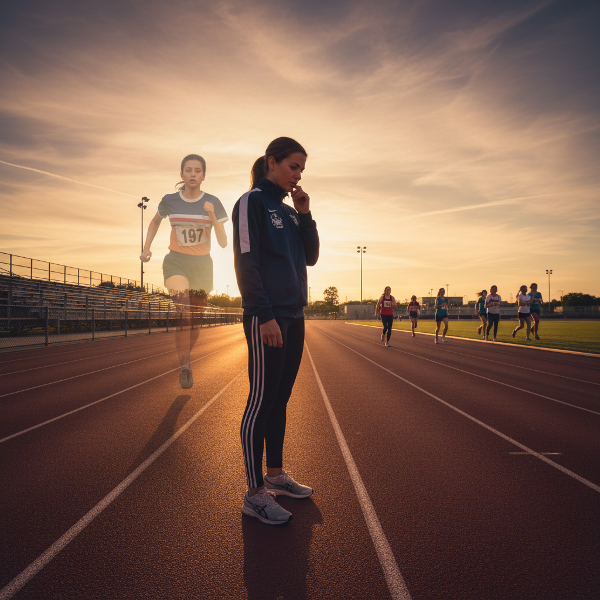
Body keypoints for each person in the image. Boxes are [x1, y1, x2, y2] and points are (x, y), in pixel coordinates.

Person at [233, 137, 319, 526]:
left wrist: (305, 213)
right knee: (261, 401)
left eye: (302, 168)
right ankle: (254, 494)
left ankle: (275, 476)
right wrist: (263, 314)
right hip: (267, 315)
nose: (298, 174)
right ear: (272, 162)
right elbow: (245, 260)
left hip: (294, 315)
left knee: (280, 400)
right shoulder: (251, 201)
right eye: (293, 166)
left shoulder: (287, 210)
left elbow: (311, 257)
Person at [140, 154, 228, 388]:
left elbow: (223, 242)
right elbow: (155, 221)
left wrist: (211, 215)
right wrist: (146, 248)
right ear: (181, 174)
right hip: (176, 262)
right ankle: (184, 365)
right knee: (184, 312)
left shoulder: (213, 202)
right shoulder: (170, 200)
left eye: (197, 170)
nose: (192, 174)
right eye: (188, 170)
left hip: (202, 265)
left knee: (195, 321)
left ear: (203, 176)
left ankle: (187, 358)